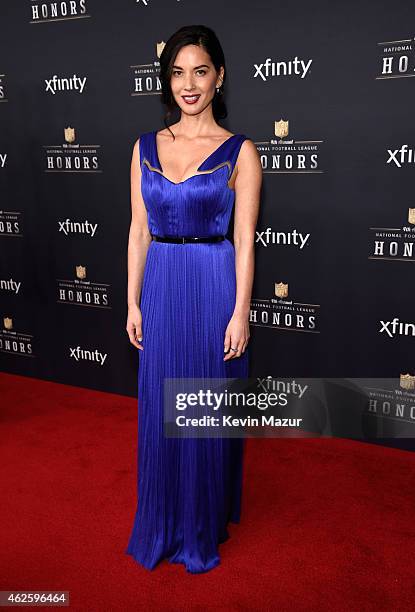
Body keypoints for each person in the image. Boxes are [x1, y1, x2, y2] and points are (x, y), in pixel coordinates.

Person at [125, 24, 262, 574]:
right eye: (178, 72)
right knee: (162, 407)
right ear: (167, 79)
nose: (189, 84)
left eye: (200, 71)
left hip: (212, 285)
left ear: (219, 76)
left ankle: (200, 525)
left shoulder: (240, 152)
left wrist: (241, 312)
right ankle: (160, 523)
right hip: (160, 283)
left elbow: (245, 241)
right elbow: (138, 231)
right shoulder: (143, 148)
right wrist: (133, 303)